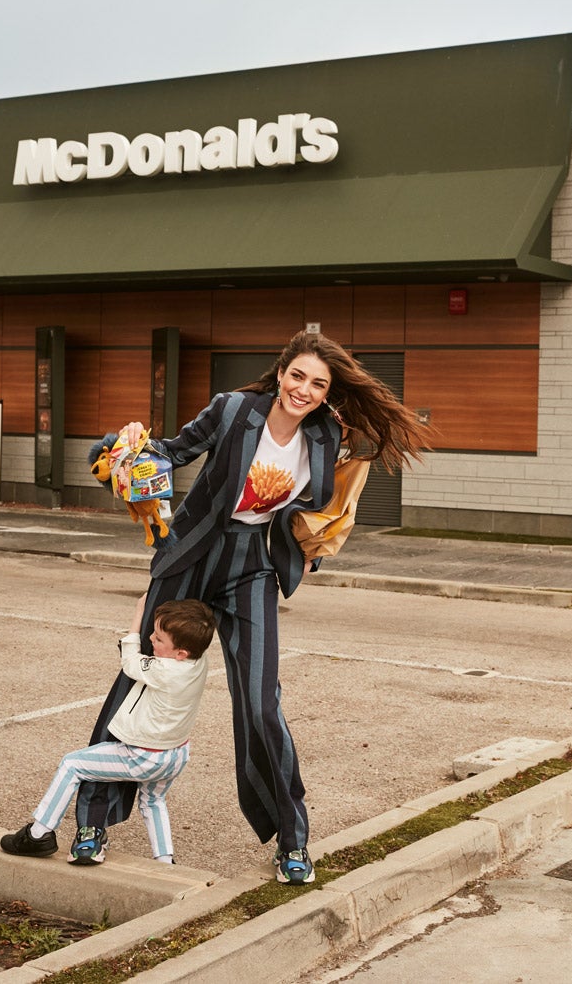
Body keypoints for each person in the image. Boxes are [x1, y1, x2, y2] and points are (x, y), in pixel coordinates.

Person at [75, 330, 431, 884]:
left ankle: (292, 839)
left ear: (327, 392)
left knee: (262, 704)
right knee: (140, 681)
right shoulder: (234, 409)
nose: (304, 390)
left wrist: (312, 550)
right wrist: (117, 453)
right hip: (191, 554)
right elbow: (172, 451)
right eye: (298, 376)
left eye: (318, 384)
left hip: (253, 563)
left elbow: (332, 502)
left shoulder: (325, 436)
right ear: (281, 372)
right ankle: (93, 820)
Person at [0, 598, 215, 865]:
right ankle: (165, 860)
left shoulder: (163, 669)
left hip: (144, 756)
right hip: (176, 755)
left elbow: (130, 660)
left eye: (158, 639)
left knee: (72, 764)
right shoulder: (199, 662)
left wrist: (139, 615)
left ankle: (38, 833)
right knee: (153, 802)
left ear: (180, 653)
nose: (151, 639)